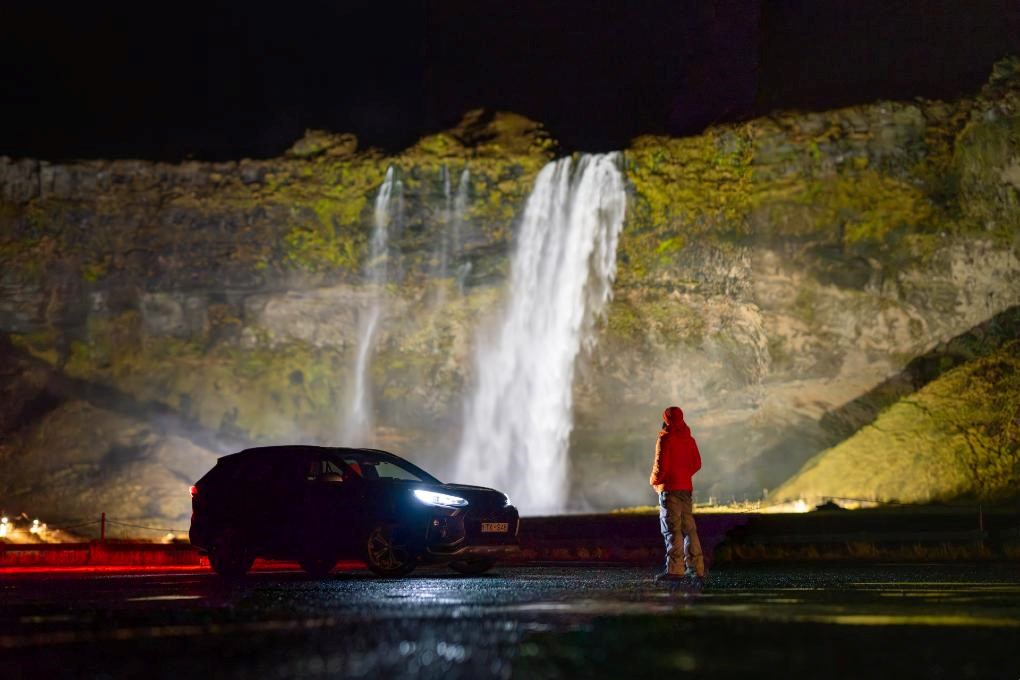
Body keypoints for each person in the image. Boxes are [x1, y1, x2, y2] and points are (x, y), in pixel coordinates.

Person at [650, 405, 706, 584]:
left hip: (670, 490)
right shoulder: (689, 439)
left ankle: (675, 571)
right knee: (689, 529)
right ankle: (697, 568)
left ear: (666, 419)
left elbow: (660, 468)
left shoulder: (665, 439)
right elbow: (697, 463)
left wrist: (653, 481)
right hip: (685, 489)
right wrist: (684, 474)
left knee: (672, 529)